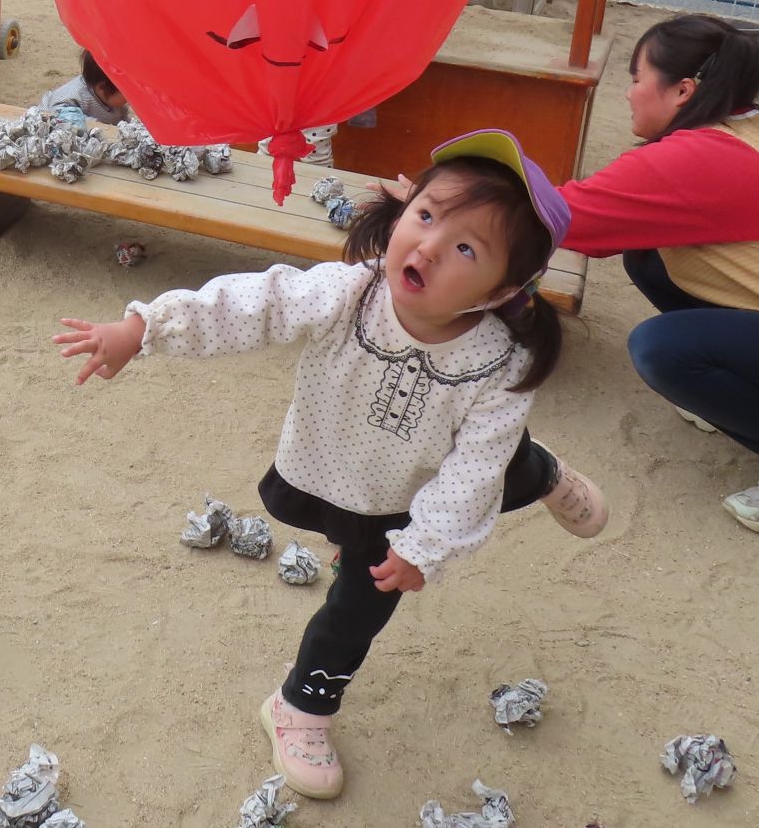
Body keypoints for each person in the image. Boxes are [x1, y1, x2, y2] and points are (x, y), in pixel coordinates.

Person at [53, 128, 607, 799]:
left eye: (466, 247)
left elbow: (469, 475)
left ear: (504, 288)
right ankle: (539, 470)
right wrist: (146, 328)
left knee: (369, 594)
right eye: (426, 215)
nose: (428, 246)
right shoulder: (349, 294)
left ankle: (301, 705)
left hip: (412, 497)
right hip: (334, 464)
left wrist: (421, 549)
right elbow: (255, 303)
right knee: (466, 479)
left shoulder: (501, 364)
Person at [557, 13, 759, 533]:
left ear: (684, 90)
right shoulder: (740, 128)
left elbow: (563, 216)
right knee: (645, 255)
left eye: (636, 78)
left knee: (663, 349)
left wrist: (440, 199)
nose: (628, 94)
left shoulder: (701, 157)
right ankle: (733, 390)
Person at [40, 50, 129, 126]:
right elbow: (55, 113)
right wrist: (91, 124)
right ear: (102, 88)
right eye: (127, 92)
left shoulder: (116, 102)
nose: (131, 98)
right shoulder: (75, 96)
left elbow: (123, 121)